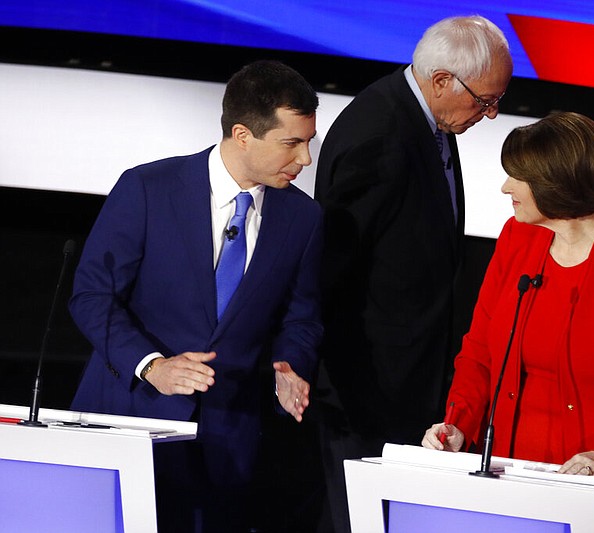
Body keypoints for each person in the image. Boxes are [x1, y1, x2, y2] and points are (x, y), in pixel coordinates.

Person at [69, 60, 323, 532]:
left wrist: (289, 366)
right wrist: (153, 365)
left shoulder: (303, 219)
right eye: (292, 143)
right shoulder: (147, 188)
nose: (305, 159)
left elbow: (301, 318)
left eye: (308, 142)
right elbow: (91, 297)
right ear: (243, 134)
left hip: (227, 443)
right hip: (130, 419)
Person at [312, 14, 513, 533]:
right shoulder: (377, 133)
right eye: (485, 100)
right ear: (442, 80)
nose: (491, 115)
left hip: (412, 384)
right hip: (367, 391)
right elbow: (331, 271)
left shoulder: (427, 120)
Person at [422, 111, 594, 492]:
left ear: (555, 185)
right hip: (506, 466)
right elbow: (479, 351)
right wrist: (458, 424)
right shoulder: (517, 237)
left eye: (518, 176)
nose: (504, 187)